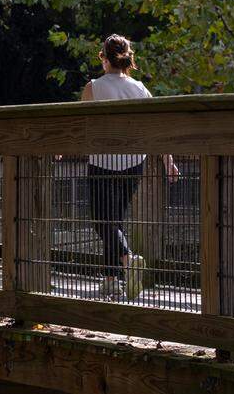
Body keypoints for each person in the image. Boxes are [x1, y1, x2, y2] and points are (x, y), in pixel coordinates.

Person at [81, 34, 179, 300]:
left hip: (102, 162)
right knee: (115, 222)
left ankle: (127, 259)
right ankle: (112, 280)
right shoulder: (139, 88)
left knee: (104, 223)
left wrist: (57, 148)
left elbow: (78, 125)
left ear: (103, 58)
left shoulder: (94, 87)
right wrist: (168, 161)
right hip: (134, 162)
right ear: (128, 59)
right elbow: (155, 126)